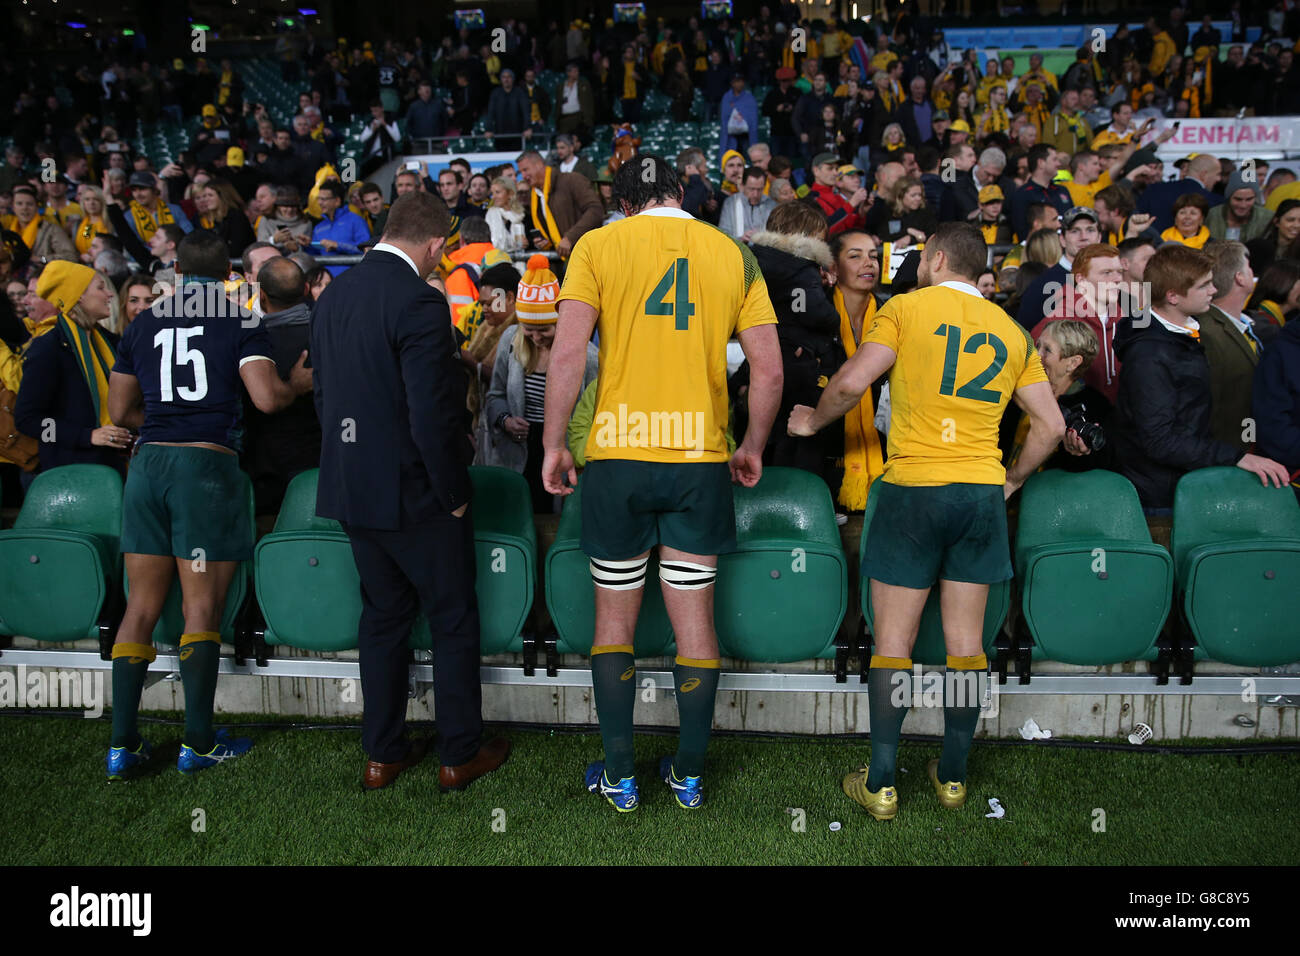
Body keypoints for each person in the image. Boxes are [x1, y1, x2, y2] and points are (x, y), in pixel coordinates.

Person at [787, 222, 1063, 821]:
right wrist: (1010, 480)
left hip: (913, 490)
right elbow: (1053, 428)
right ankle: (954, 777)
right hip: (979, 493)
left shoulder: (905, 310)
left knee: (893, 643)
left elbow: (854, 381)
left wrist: (811, 422)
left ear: (937, 258)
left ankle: (882, 784)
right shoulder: (1013, 329)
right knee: (966, 646)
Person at [540, 155, 783, 812]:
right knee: (694, 624)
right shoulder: (732, 251)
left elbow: (567, 354)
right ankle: (690, 775)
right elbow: (768, 370)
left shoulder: (597, 244)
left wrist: (554, 441)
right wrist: (752, 444)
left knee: (613, 621)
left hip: (618, 455)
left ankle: (620, 776)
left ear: (621, 200)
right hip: (697, 458)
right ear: (682, 191)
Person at [310, 192, 510, 792]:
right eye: (441, 250)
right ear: (432, 245)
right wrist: (452, 490)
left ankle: (383, 755)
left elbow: (324, 401)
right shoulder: (420, 301)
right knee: (451, 619)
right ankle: (457, 754)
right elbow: (433, 414)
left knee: (382, 618)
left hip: (351, 490)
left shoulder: (334, 294)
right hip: (417, 494)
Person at [103, 230, 312, 781]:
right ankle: (198, 743)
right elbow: (267, 398)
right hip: (205, 471)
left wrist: (165, 428)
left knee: (140, 606)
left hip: (147, 470)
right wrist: (296, 384)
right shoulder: (242, 321)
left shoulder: (143, 322)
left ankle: (122, 745)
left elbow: (119, 412)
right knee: (201, 609)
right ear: (230, 276)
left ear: (175, 268)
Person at [1113, 244, 1289, 512]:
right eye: (1204, 285)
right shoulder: (1149, 355)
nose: (1214, 290)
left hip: (1183, 482)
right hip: (1161, 497)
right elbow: (1159, 440)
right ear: (1173, 296)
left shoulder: (1181, 334)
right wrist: (1236, 457)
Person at [484, 255, 597, 511]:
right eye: (528, 329)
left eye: (545, 329)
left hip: (563, 450)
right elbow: (494, 394)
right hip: (518, 451)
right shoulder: (510, 341)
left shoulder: (586, 356)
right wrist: (505, 419)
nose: (536, 337)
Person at [14, 261, 130, 479]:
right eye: (100, 287)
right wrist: (86, 436)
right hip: (70, 473)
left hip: (115, 464)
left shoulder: (111, 342)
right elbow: (27, 420)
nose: (109, 294)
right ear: (78, 296)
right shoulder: (48, 348)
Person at [241, 257, 321, 513]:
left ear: (261, 295)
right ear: (307, 289)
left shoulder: (245, 339)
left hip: (262, 472)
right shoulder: (336, 332)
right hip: (323, 468)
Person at [1005, 319, 1114, 473]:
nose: (1036, 354)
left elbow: (1096, 468)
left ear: (1073, 363)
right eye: (1038, 346)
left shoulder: (1095, 408)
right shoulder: (1020, 388)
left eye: (1047, 350)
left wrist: (1079, 452)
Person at [1032, 243, 1126, 404]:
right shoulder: (1055, 324)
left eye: (1119, 272)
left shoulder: (1125, 320)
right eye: (1107, 273)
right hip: (1071, 418)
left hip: (1119, 422)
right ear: (1081, 279)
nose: (1117, 279)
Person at [1200, 241, 1269, 454]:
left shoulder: (1243, 324)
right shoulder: (1206, 332)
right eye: (1248, 267)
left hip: (1246, 444)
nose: (1252, 273)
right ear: (1239, 277)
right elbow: (1210, 406)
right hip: (1227, 454)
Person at [1017, 206, 1101, 329]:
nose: (1084, 237)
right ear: (1062, 239)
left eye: (1090, 230)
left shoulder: (1112, 280)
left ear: (1099, 237)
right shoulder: (1042, 285)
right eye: (1075, 231)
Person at [516, 149, 604, 259]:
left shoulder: (571, 180)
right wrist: (544, 242)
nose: (523, 176)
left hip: (585, 256)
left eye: (525, 170)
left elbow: (595, 210)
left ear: (539, 164)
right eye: (521, 172)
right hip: (557, 262)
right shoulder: (534, 195)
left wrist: (570, 237)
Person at [3, 185, 77, 263]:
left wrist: (42, 259)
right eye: (19, 204)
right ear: (12, 207)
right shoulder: (8, 230)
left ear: (37, 207)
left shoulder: (51, 229)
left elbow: (71, 256)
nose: (24, 208)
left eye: (29, 204)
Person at [311, 180, 370, 276]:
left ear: (337, 201)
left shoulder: (355, 221)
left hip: (352, 279)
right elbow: (314, 255)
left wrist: (337, 245)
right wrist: (304, 245)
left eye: (324, 199)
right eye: (319, 199)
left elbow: (366, 250)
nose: (319, 203)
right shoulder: (318, 227)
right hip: (326, 284)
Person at [718, 166, 775, 240]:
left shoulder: (771, 204)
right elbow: (723, 234)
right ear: (743, 185)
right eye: (751, 189)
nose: (755, 194)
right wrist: (740, 239)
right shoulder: (731, 203)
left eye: (760, 189)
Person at [484, 176, 526, 251]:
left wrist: (527, 243)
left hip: (521, 260)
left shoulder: (524, 215)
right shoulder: (491, 214)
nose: (493, 197)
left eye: (497, 192)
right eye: (492, 193)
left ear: (510, 193)